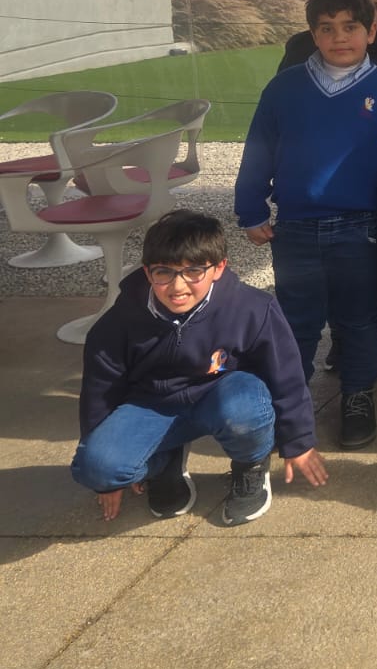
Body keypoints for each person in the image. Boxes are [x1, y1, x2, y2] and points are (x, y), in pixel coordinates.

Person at [236, 0, 377, 450]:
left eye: (350, 27)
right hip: (296, 229)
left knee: (359, 320)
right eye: (327, 28)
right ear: (312, 35)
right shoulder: (285, 88)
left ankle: (357, 394)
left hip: (362, 231)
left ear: (371, 31)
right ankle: (288, 401)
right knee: (297, 321)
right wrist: (250, 209)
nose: (339, 38)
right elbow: (258, 152)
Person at [72, 210, 328, 526]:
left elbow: (287, 377)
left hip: (223, 395)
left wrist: (298, 440)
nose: (178, 286)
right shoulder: (117, 323)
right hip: (152, 405)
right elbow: (99, 392)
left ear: (219, 268)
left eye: (194, 271)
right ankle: (164, 461)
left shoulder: (253, 308)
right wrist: (108, 471)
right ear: (147, 272)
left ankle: (250, 465)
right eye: (163, 272)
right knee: (96, 468)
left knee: (244, 408)